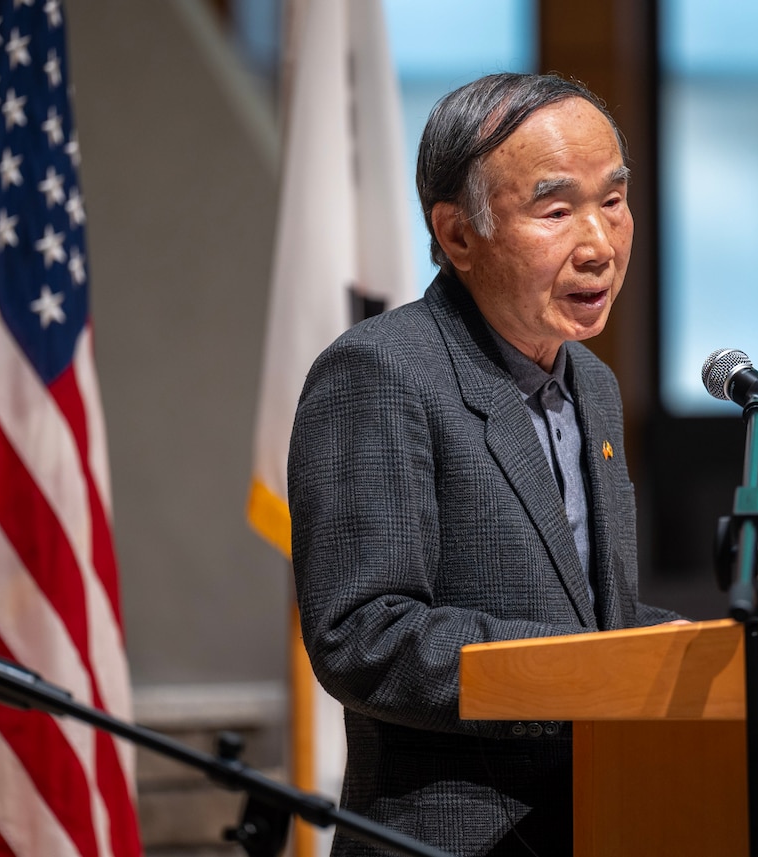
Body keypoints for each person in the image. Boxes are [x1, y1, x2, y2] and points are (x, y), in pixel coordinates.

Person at [288, 72, 682, 857]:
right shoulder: (381, 371)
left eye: (613, 200)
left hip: (603, 821)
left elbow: (588, 619)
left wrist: (702, 652)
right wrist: (580, 676)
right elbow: (362, 634)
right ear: (458, 234)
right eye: (556, 210)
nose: (600, 244)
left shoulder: (594, 385)